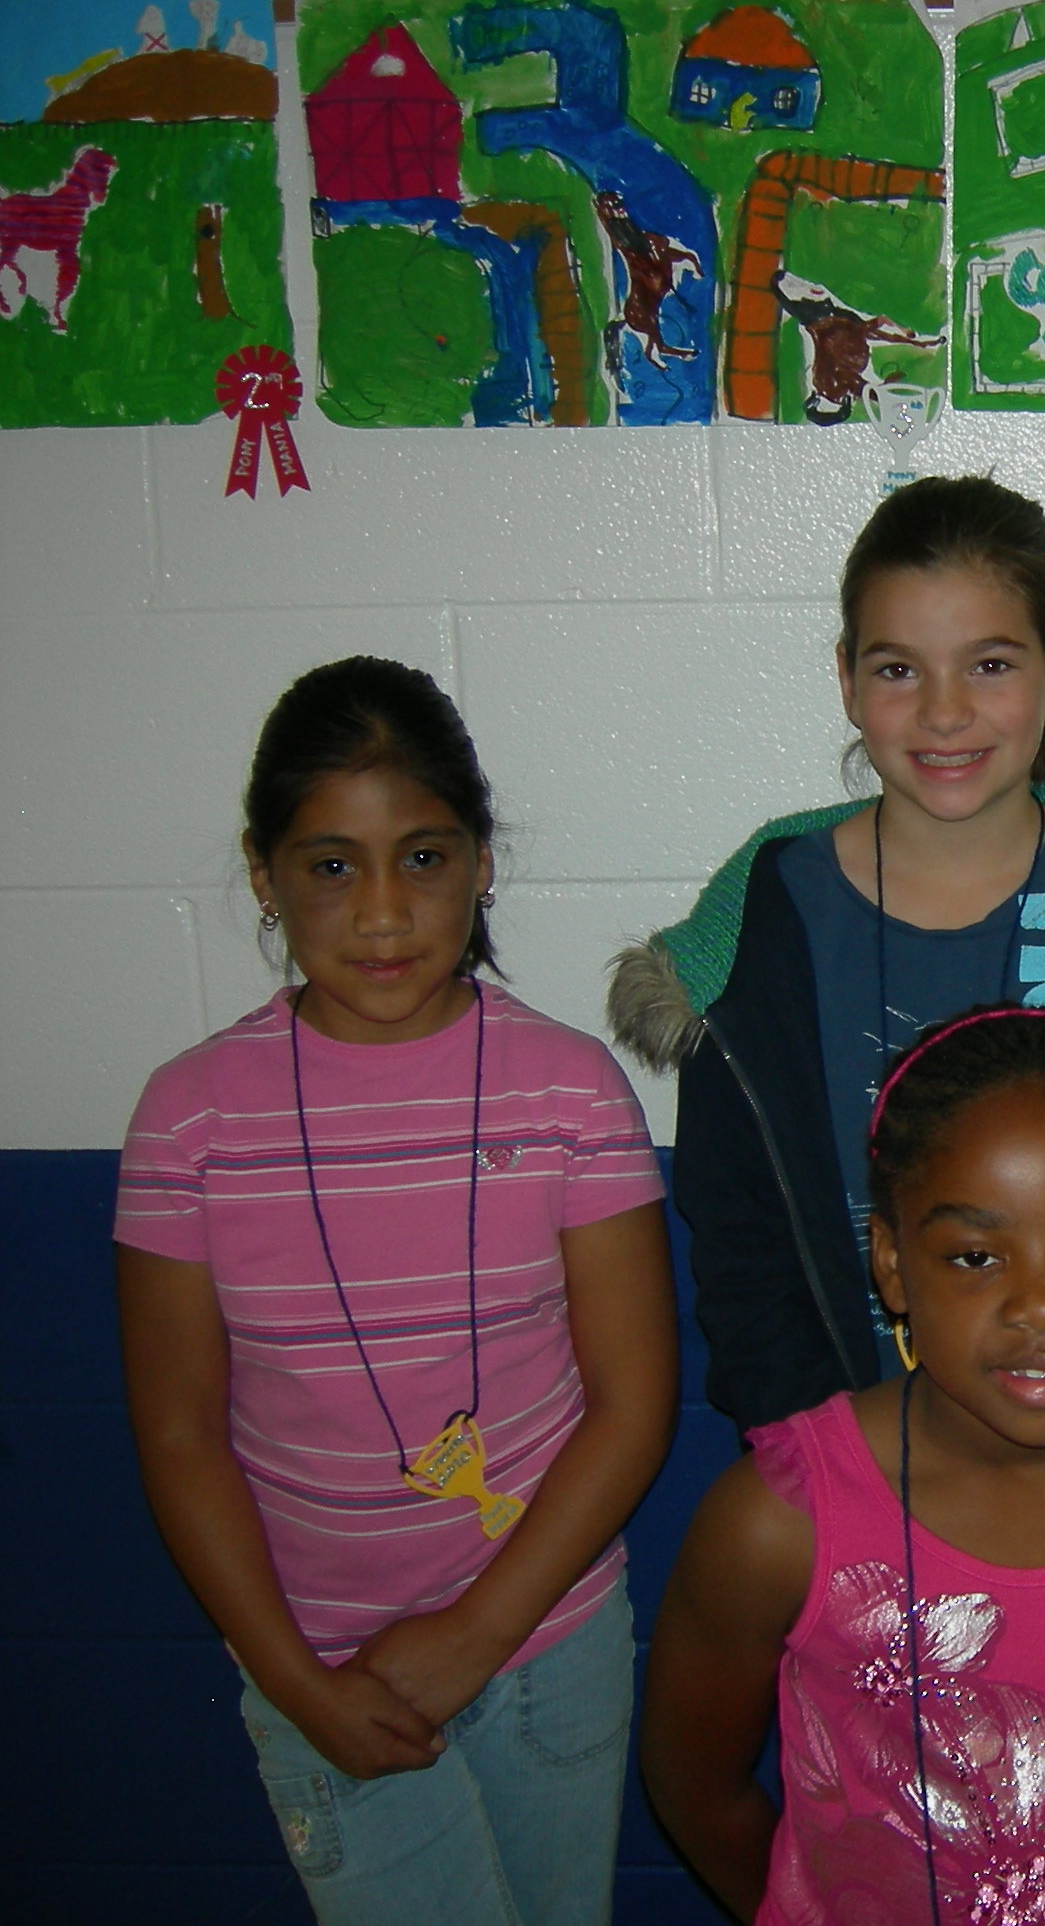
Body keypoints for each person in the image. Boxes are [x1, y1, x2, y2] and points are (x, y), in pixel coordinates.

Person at [115, 657, 678, 1926]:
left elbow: (634, 1406)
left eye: (422, 858)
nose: (382, 912)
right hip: (319, 1667)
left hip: (546, 1647)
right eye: (332, 864)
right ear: (264, 874)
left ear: (482, 863)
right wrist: (294, 1683)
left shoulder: (570, 1093)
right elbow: (180, 1435)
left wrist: (477, 1634)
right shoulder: (191, 1119)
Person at [612, 475, 1045, 1435]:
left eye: (989, 665)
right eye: (899, 670)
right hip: (844, 1460)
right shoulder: (761, 929)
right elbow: (743, 1254)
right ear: (847, 680)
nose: (943, 713)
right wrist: (824, 1460)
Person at [641, 1007, 1045, 1926]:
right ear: (893, 1265)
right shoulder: (779, 1524)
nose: (1043, 1304)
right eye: (976, 1256)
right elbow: (696, 1787)